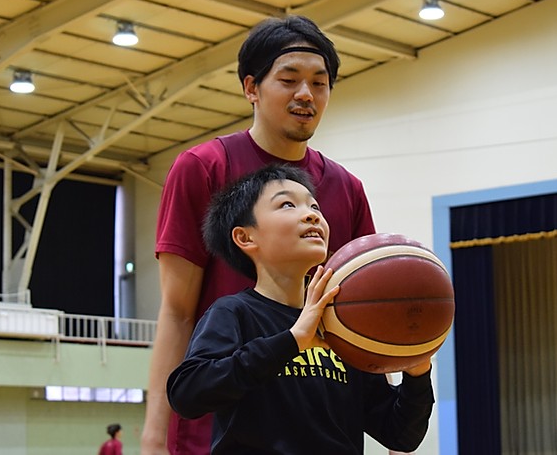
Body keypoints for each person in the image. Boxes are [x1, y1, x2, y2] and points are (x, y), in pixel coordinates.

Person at [142, 15, 376, 455]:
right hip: (221, 424)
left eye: (319, 83)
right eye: (289, 80)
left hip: (316, 422)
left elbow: (360, 313)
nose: (306, 94)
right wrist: (155, 434)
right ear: (251, 87)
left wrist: (395, 413)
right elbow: (176, 311)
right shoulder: (203, 166)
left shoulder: (347, 188)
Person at [167, 164, 434, 454]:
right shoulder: (234, 313)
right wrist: (292, 341)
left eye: (315, 206)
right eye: (286, 204)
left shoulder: (345, 323)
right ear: (246, 238)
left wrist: (418, 372)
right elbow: (187, 393)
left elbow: (400, 434)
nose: (312, 215)